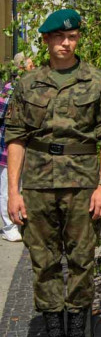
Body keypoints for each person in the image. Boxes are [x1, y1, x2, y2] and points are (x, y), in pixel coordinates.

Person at [5, 9, 101, 337]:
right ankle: (54, 334)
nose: (65, 42)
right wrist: (13, 192)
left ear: (78, 39)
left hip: (83, 185)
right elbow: (16, 139)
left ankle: (77, 334)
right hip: (38, 186)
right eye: (58, 37)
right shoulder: (28, 85)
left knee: (81, 260)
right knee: (43, 261)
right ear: (46, 40)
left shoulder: (95, 80)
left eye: (71, 37)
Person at [1, 53, 35, 241]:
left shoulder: (35, 87)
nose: (34, 67)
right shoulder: (10, 89)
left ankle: (20, 220)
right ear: (21, 68)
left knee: (22, 185)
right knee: (8, 187)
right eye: (31, 65)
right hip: (7, 149)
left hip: (27, 149)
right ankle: (8, 226)